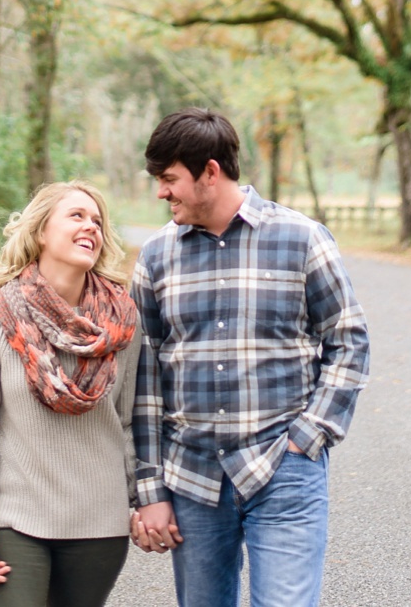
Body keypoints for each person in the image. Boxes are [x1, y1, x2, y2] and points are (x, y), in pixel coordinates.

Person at [128, 107, 370, 607]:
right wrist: (149, 488)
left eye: (169, 179)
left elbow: (349, 341)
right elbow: (144, 379)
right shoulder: (156, 257)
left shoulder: (302, 239)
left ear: (210, 173)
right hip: (192, 478)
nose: (161, 192)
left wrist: (308, 438)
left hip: (283, 469)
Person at [0, 181, 140, 607]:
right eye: (76, 216)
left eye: (97, 221)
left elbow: (130, 422)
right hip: (16, 523)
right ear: (40, 231)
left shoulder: (123, 324)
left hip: (100, 527)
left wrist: (143, 501)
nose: (90, 226)